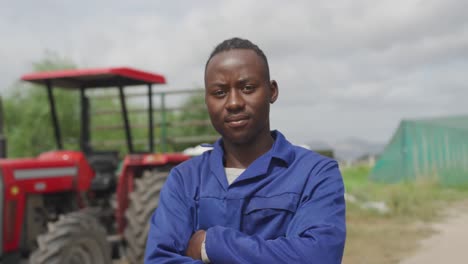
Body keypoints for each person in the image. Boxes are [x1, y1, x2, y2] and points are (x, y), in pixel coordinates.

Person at [144, 37, 346, 263]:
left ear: (272, 91)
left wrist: (209, 245)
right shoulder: (184, 180)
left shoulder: (315, 174)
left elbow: (317, 257)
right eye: (219, 93)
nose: (233, 103)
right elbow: (159, 260)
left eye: (247, 88)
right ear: (207, 101)